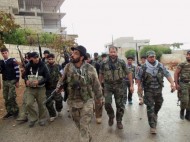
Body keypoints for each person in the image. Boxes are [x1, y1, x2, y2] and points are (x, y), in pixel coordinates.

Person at [56, 45, 103, 142]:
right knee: (79, 125)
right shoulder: (68, 67)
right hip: (72, 101)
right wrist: (58, 87)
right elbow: (62, 79)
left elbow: (97, 85)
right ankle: (88, 138)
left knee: (84, 125)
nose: (72, 55)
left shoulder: (90, 69)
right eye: (72, 53)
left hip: (87, 101)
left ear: (82, 57)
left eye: (75, 53)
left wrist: (99, 99)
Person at [136, 50, 175, 134]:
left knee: (159, 104)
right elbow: (138, 77)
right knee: (150, 107)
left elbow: (167, 74)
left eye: (153, 56)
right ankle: (152, 126)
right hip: (148, 90)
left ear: (155, 57)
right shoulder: (143, 67)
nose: (152, 58)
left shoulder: (160, 66)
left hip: (158, 90)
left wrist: (172, 83)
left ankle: (155, 113)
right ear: (147, 58)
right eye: (150, 57)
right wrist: (139, 87)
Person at [99, 46, 134, 129]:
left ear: (116, 52)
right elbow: (101, 74)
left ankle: (119, 121)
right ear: (109, 52)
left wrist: (131, 85)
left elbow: (129, 73)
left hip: (120, 85)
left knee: (120, 105)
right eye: (111, 52)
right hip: (108, 85)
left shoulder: (122, 62)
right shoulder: (104, 63)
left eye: (114, 52)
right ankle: (111, 116)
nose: (113, 54)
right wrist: (99, 85)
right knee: (107, 103)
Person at [24, 52, 50, 127]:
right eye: (35, 58)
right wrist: (26, 80)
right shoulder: (28, 65)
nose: (36, 59)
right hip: (30, 88)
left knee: (41, 104)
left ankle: (42, 119)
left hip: (41, 88)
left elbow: (47, 77)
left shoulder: (43, 65)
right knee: (28, 103)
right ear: (31, 58)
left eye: (37, 57)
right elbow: (25, 75)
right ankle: (33, 118)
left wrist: (39, 81)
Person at [0, 47, 20, 119]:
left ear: (8, 52)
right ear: (1, 54)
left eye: (5, 53)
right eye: (3, 53)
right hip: (5, 81)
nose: (4, 54)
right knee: (5, 97)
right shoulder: (1, 62)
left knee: (11, 96)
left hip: (12, 80)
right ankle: (9, 112)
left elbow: (17, 70)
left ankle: (16, 111)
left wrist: (17, 81)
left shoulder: (12, 60)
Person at [85, 53, 102, 124]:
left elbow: (100, 73)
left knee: (98, 101)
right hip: (86, 86)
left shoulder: (96, 64)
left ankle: (98, 116)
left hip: (95, 84)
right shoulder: (81, 66)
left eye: (87, 59)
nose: (85, 61)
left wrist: (100, 84)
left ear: (89, 58)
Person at [45, 53, 63, 122]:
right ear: (47, 59)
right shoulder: (45, 66)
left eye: (52, 59)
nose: (51, 60)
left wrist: (61, 86)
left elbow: (63, 76)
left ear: (54, 59)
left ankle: (59, 110)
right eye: (49, 59)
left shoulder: (59, 66)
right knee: (48, 102)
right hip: (48, 88)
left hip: (56, 88)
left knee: (59, 100)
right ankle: (52, 114)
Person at [16, 53, 33, 122]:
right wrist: (23, 72)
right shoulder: (26, 66)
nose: (27, 59)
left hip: (38, 87)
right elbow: (23, 77)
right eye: (26, 58)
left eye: (28, 58)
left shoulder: (39, 65)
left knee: (40, 103)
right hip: (29, 87)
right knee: (25, 100)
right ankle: (23, 116)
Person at [174, 50, 190, 120]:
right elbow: (176, 73)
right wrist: (176, 84)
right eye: (187, 54)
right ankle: (182, 111)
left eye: (189, 55)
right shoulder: (182, 64)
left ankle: (188, 114)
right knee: (185, 100)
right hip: (183, 83)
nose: (188, 56)